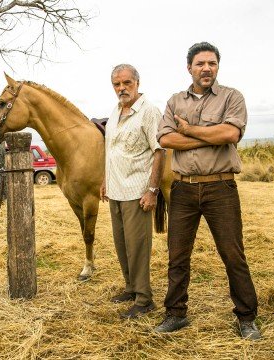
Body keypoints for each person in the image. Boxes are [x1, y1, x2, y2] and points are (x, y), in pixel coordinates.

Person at [154, 42, 261, 340]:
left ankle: (246, 318)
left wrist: (187, 131)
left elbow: (230, 133)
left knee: (232, 254)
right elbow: (165, 140)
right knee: (177, 255)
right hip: (183, 189)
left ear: (217, 67)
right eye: (200, 63)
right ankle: (175, 314)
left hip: (221, 187)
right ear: (189, 67)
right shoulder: (175, 101)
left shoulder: (231, 97)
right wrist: (209, 137)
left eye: (212, 63)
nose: (206, 68)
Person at [100, 64, 165, 319]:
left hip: (137, 192)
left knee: (137, 246)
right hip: (115, 190)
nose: (121, 88)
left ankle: (144, 298)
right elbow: (111, 150)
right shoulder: (116, 111)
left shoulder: (149, 112)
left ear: (137, 82)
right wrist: (105, 180)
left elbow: (159, 151)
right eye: (117, 84)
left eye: (127, 83)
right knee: (121, 245)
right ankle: (130, 288)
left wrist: (153, 190)